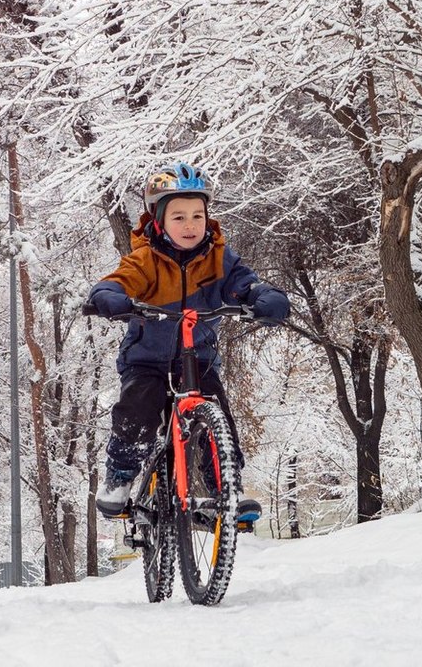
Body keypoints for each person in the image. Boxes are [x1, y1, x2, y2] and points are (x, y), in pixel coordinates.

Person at [87, 162, 288, 522]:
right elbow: (117, 281)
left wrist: (263, 296)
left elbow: (245, 284)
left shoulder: (218, 260)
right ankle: (120, 475)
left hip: (199, 361)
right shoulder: (145, 260)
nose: (190, 225)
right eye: (178, 217)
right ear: (159, 221)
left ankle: (226, 489)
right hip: (147, 360)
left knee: (218, 417)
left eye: (197, 215)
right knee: (138, 410)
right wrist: (109, 296)